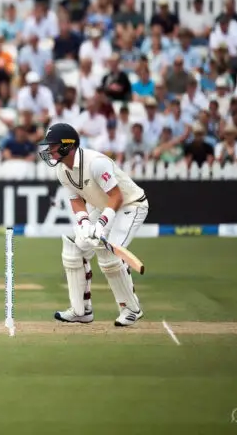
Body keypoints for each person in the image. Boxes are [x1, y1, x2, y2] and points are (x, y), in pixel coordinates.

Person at [37, 122, 148, 327]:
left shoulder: (96, 163)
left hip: (131, 205)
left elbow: (117, 196)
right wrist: (85, 222)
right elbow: (76, 200)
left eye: (52, 145)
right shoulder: (62, 170)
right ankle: (81, 311)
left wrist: (102, 224)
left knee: (107, 252)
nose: (49, 150)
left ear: (67, 145)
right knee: (74, 247)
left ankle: (131, 309)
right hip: (103, 205)